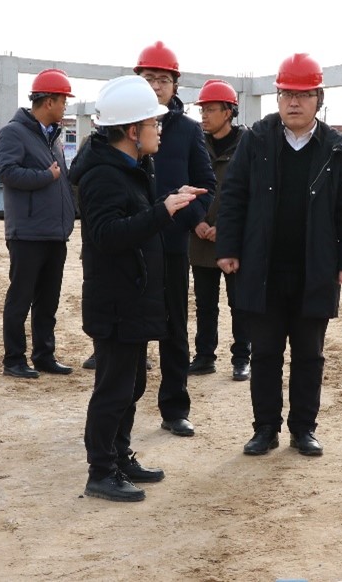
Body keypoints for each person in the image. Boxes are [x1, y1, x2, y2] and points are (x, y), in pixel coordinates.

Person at [215, 53, 342, 457]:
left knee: (309, 355)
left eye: (303, 95)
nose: (293, 102)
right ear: (278, 98)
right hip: (263, 267)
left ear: (319, 99)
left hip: (315, 268)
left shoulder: (335, 149)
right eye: (286, 94)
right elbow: (233, 196)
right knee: (265, 353)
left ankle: (304, 429)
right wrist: (228, 247)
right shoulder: (256, 140)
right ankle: (265, 428)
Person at [72, 75, 205, 502]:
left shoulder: (132, 168)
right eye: (153, 123)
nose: (159, 130)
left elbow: (133, 219)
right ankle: (101, 471)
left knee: (132, 387)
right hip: (115, 301)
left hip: (133, 297)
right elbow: (107, 234)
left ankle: (119, 456)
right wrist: (162, 211)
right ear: (133, 131)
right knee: (113, 389)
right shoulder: (103, 175)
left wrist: (170, 201)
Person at [134, 41, 216, 438]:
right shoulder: (121, 126)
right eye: (148, 78)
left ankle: (175, 407)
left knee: (173, 327)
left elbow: (207, 183)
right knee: (131, 327)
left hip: (170, 245)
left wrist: (188, 218)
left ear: (175, 85)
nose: (155, 86)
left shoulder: (187, 130)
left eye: (162, 80)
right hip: (131, 243)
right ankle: (124, 405)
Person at [0, 68, 76, 379]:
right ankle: (14, 360)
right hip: (27, 233)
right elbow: (6, 172)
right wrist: (46, 176)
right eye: (63, 100)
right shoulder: (13, 133)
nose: (66, 106)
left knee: (48, 301)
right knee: (21, 299)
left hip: (54, 233)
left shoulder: (52, 137)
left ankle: (44, 355)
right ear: (49, 101)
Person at [187, 79, 251, 381]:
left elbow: (253, 194)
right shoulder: (195, 145)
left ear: (228, 112)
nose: (204, 115)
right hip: (200, 238)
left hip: (234, 240)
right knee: (204, 304)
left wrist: (224, 227)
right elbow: (184, 186)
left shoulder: (248, 146)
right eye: (202, 110)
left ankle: (242, 358)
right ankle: (204, 356)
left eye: (211, 109)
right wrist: (195, 220)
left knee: (239, 303)